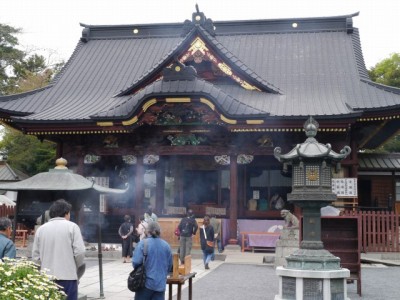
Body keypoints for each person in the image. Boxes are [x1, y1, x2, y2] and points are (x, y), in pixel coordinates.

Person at [32, 199, 86, 300]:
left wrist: (40, 271)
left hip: (46, 277)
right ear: (66, 213)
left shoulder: (41, 230)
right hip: (67, 276)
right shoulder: (73, 227)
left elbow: (35, 257)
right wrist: (76, 268)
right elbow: (80, 252)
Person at [132, 221, 172, 300]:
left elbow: (136, 262)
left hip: (145, 284)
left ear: (147, 231)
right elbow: (169, 265)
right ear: (159, 231)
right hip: (160, 284)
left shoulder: (143, 244)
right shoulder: (166, 245)